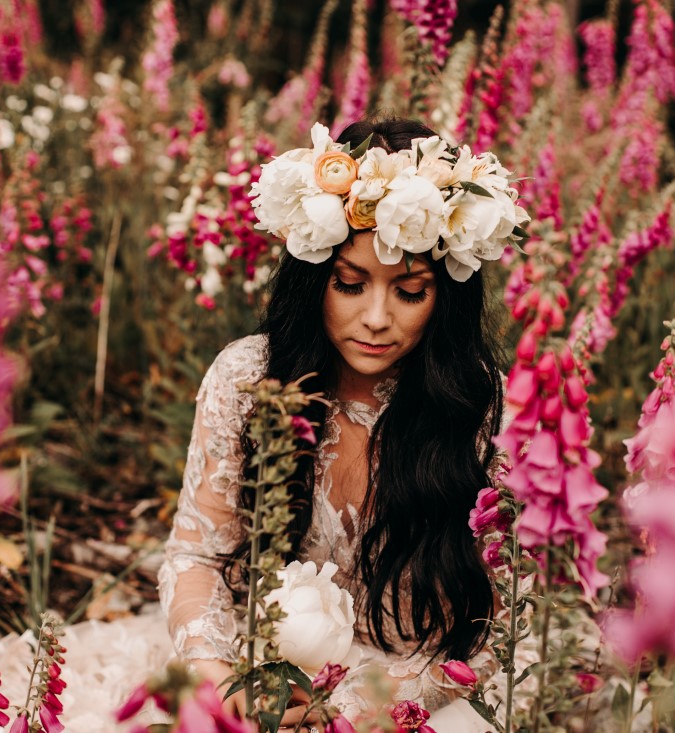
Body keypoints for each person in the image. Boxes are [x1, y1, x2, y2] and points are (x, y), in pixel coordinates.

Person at [157, 115, 530, 730]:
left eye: (410, 291)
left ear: (446, 297)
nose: (377, 318)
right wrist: (218, 678)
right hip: (259, 675)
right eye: (350, 284)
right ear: (314, 280)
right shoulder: (248, 379)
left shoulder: (482, 408)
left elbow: (507, 619)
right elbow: (195, 556)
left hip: (414, 694)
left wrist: (358, 709)